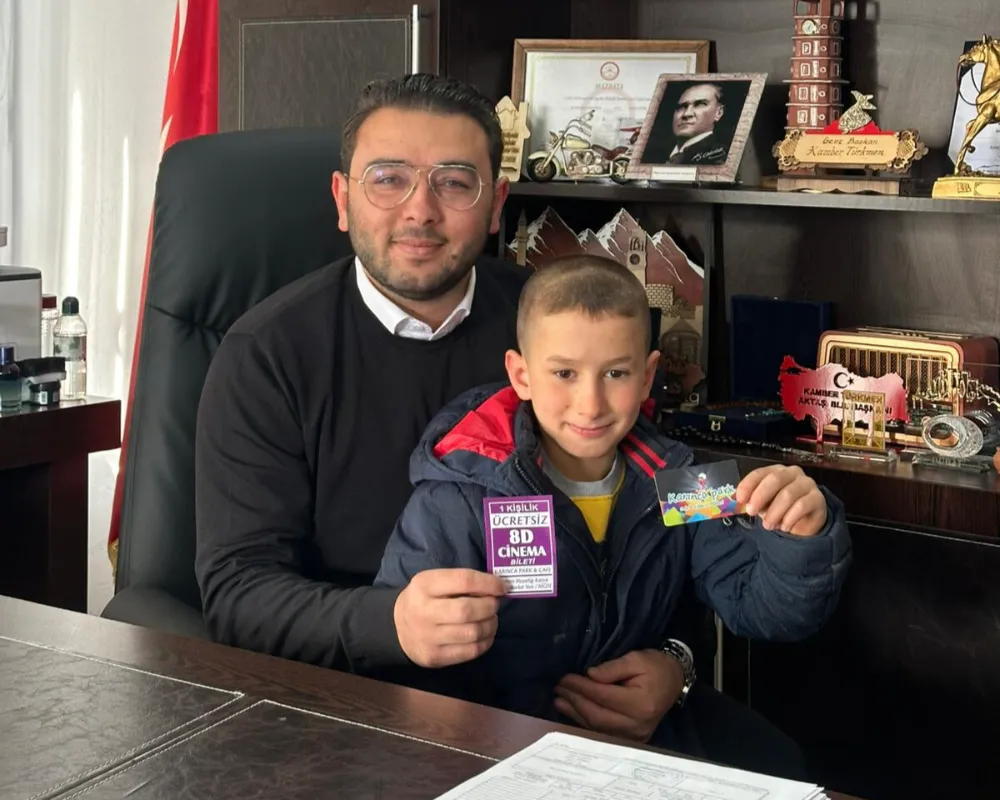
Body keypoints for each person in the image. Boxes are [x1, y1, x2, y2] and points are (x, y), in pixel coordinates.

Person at [374, 254, 852, 779]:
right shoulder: (462, 489)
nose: (591, 404)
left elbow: (766, 612)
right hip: (503, 747)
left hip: (646, 735)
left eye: (616, 373)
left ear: (647, 377)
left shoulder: (681, 480)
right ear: (521, 375)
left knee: (784, 765)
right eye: (564, 373)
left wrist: (802, 536)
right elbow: (408, 666)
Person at [194, 73, 527, 675]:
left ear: (496, 205)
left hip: (549, 678)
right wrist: (389, 623)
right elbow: (237, 591)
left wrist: (674, 659)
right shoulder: (265, 355)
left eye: (454, 182)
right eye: (388, 179)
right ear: (343, 200)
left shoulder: (558, 328)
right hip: (355, 688)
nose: (420, 210)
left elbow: (666, 508)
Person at [645, 82, 729, 166]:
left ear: (719, 113)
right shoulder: (652, 155)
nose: (686, 114)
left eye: (700, 104)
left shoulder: (721, 158)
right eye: (682, 107)